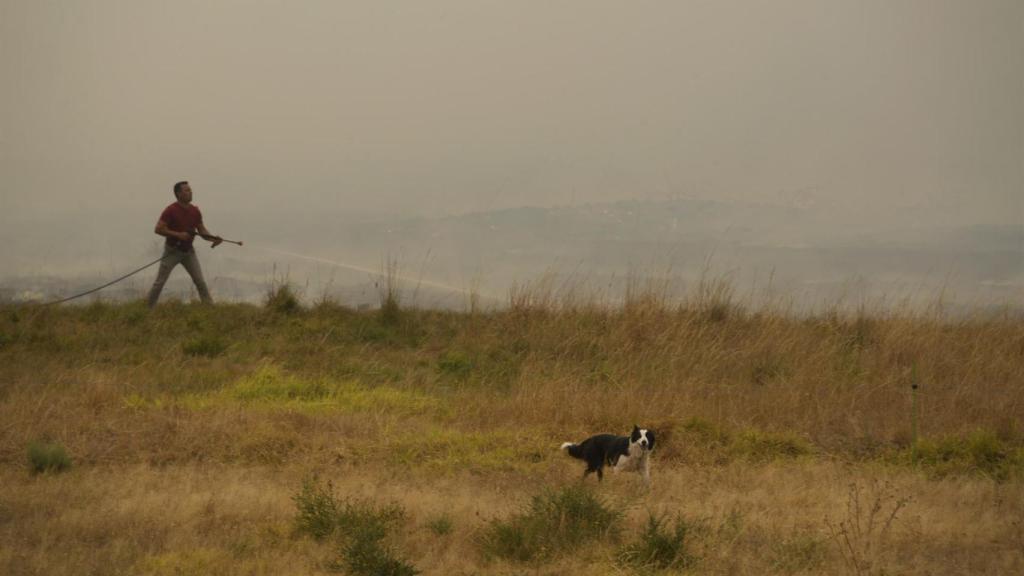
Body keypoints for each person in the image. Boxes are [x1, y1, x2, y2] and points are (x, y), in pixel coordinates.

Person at [147, 181, 223, 307]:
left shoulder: (195, 211)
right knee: (159, 282)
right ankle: (147, 309)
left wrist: (213, 238)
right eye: (187, 190)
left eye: (190, 190)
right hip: (172, 251)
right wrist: (178, 235)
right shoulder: (170, 210)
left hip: (188, 252)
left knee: (200, 281)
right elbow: (158, 229)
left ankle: (210, 308)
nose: (190, 192)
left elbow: (201, 230)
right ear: (178, 194)